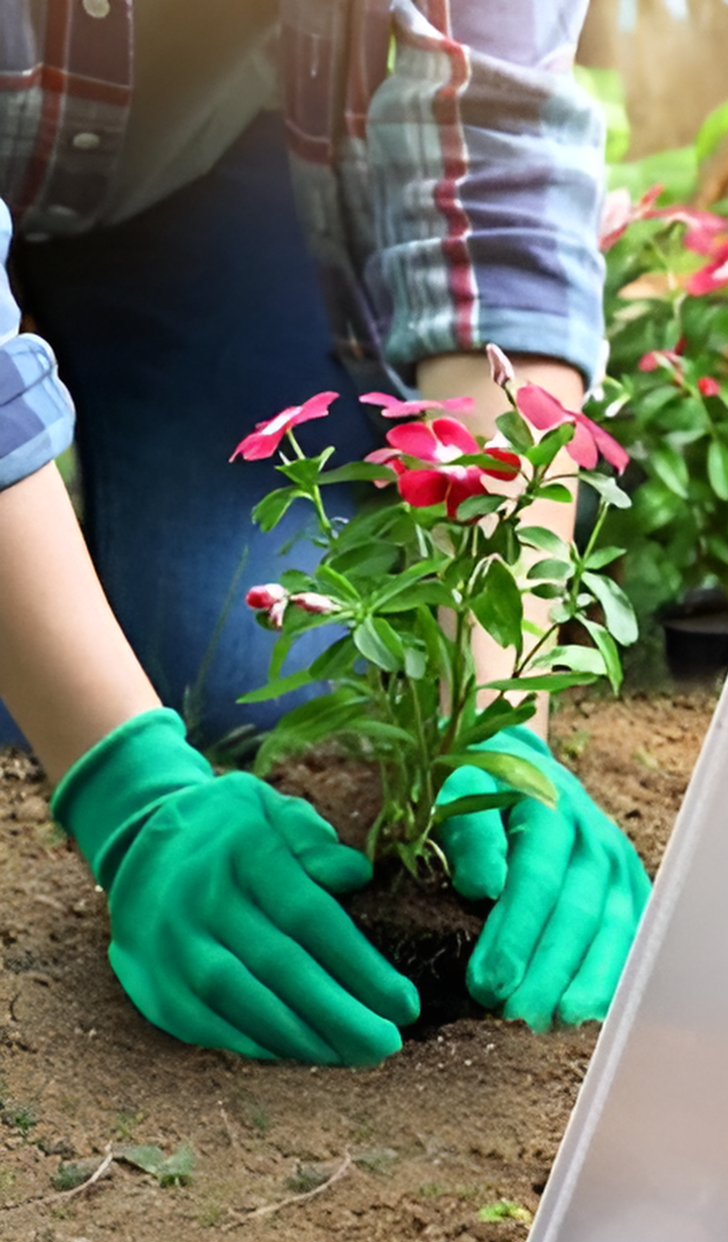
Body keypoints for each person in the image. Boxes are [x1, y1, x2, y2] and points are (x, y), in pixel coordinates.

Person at [0, 1, 649, 1064]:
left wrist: (491, 713)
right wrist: (123, 783)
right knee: (60, 693)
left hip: (184, 170)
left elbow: (499, 169)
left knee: (258, 658)